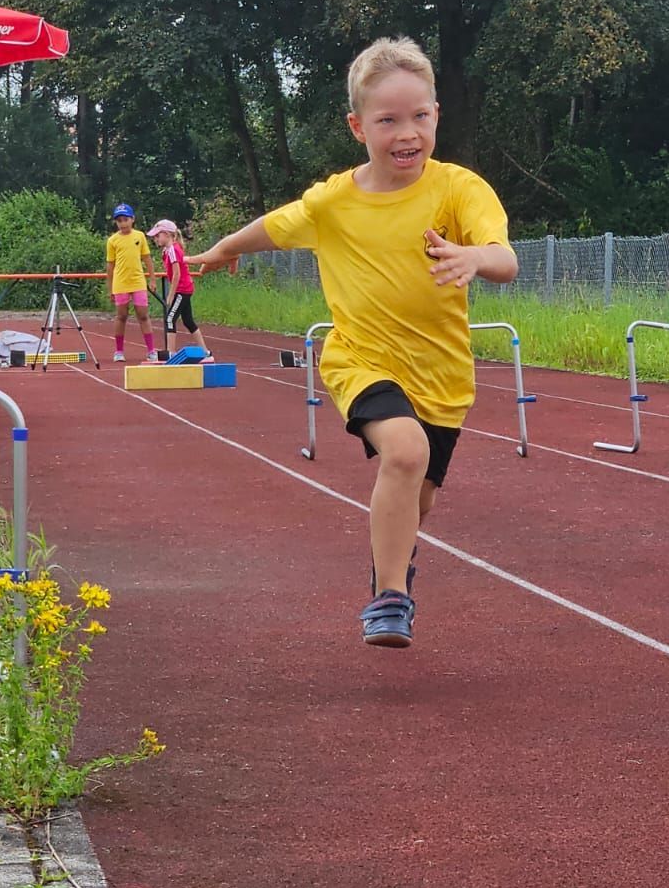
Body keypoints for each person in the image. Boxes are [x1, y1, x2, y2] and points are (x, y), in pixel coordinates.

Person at [189, 36, 518, 648]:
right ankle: (390, 599)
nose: (407, 133)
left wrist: (474, 257)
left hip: (442, 375)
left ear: (437, 115)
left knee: (419, 498)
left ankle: (394, 559)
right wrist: (223, 249)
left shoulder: (458, 189)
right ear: (357, 126)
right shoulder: (334, 201)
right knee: (404, 452)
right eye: (388, 120)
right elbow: (276, 226)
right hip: (360, 359)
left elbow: (505, 259)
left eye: (419, 116)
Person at [147, 220, 213, 362]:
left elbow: (176, 274)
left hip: (182, 289)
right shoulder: (169, 250)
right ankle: (206, 353)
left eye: (158, 236)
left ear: (166, 234)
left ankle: (171, 353)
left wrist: (171, 295)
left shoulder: (172, 250)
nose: (155, 239)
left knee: (170, 319)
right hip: (184, 288)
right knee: (188, 321)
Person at [105, 203, 158, 364]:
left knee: (143, 315)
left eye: (125, 219)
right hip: (121, 283)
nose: (123, 223)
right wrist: (110, 288)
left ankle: (151, 350)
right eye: (119, 221)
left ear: (132, 219)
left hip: (138, 281)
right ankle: (119, 351)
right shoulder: (112, 240)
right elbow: (110, 265)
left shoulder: (139, 236)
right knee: (121, 316)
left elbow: (147, 258)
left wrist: (152, 278)